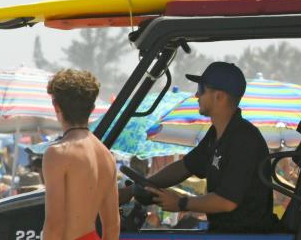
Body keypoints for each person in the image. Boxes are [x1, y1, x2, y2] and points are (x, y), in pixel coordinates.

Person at [122, 62, 275, 234]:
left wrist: (181, 203)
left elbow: (226, 201)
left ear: (219, 96)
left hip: (246, 235)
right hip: (223, 232)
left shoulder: (244, 140)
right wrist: (138, 188)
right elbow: (185, 166)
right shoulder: (217, 133)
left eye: (201, 89)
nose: (196, 95)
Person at [42, 69, 120, 240]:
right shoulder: (107, 155)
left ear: (56, 107)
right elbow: (112, 226)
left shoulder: (58, 153)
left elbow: (54, 224)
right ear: (92, 108)